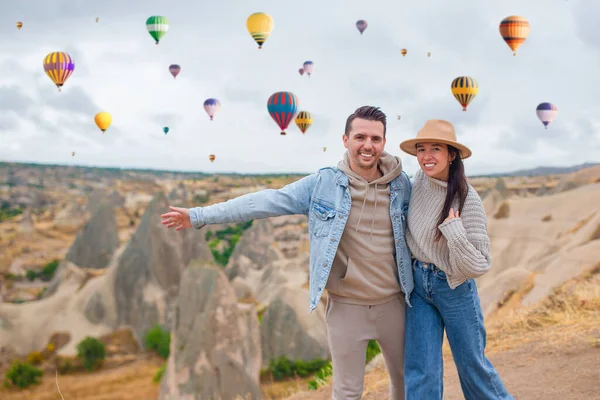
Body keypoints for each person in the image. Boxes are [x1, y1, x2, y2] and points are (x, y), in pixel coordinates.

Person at [161, 105, 412, 399]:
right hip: (347, 308)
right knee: (347, 392)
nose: (367, 145)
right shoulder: (322, 184)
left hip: (395, 305)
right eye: (360, 137)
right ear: (345, 140)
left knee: (405, 382)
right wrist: (200, 215)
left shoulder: (401, 185)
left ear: (384, 143)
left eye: (375, 139)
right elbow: (265, 201)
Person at [399, 119, 513, 400]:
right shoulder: (417, 183)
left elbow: (479, 265)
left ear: (452, 155)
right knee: (421, 369)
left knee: (472, 367)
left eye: (436, 149)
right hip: (418, 287)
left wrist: (454, 233)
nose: (427, 156)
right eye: (422, 149)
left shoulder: (467, 199)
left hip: (453, 286)